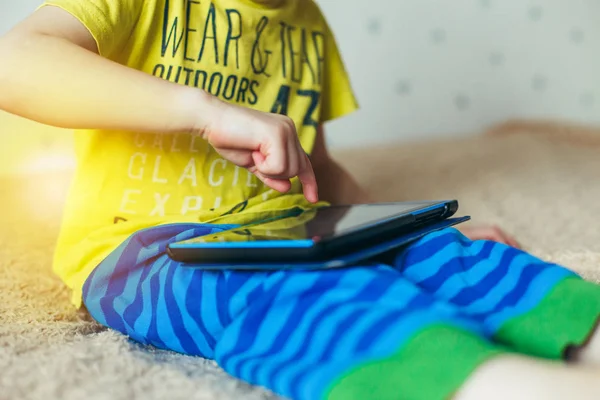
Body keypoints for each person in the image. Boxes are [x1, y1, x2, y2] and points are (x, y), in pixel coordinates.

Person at [1, 1, 599, 399]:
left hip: (289, 224)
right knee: (301, 293)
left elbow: (317, 166)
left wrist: (396, 226)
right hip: (145, 246)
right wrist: (203, 111)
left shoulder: (308, 22)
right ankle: (499, 384)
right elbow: (14, 62)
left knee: (449, 253)